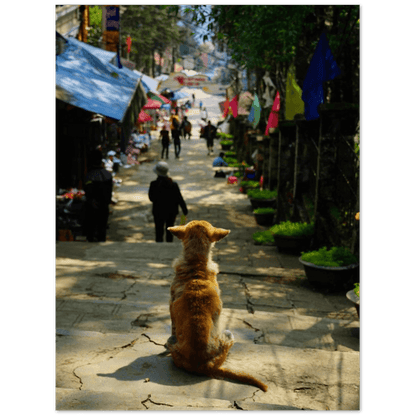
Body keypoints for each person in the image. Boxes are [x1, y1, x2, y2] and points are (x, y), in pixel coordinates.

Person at [148, 161, 188, 243]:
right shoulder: (173, 184)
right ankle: (169, 246)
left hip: (158, 211)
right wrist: (184, 209)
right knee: (170, 230)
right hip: (171, 211)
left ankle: (159, 247)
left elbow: (151, 198)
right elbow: (179, 198)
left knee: (159, 231)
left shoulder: (154, 184)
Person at [84, 149, 113, 242]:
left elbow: (88, 192)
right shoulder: (107, 175)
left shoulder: (89, 176)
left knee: (91, 228)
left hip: (92, 206)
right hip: (104, 205)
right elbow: (109, 193)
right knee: (102, 228)